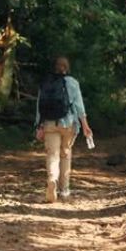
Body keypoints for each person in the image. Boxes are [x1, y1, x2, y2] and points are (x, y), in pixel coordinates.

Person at [35, 56, 92, 203]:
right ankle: (64, 190)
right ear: (67, 68)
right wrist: (85, 126)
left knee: (52, 155)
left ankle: (52, 179)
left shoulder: (46, 82)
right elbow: (79, 107)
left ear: (54, 67)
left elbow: (39, 107)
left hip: (49, 124)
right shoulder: (72, 83)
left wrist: (39, 126)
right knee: (65, 154)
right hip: (68, 124)